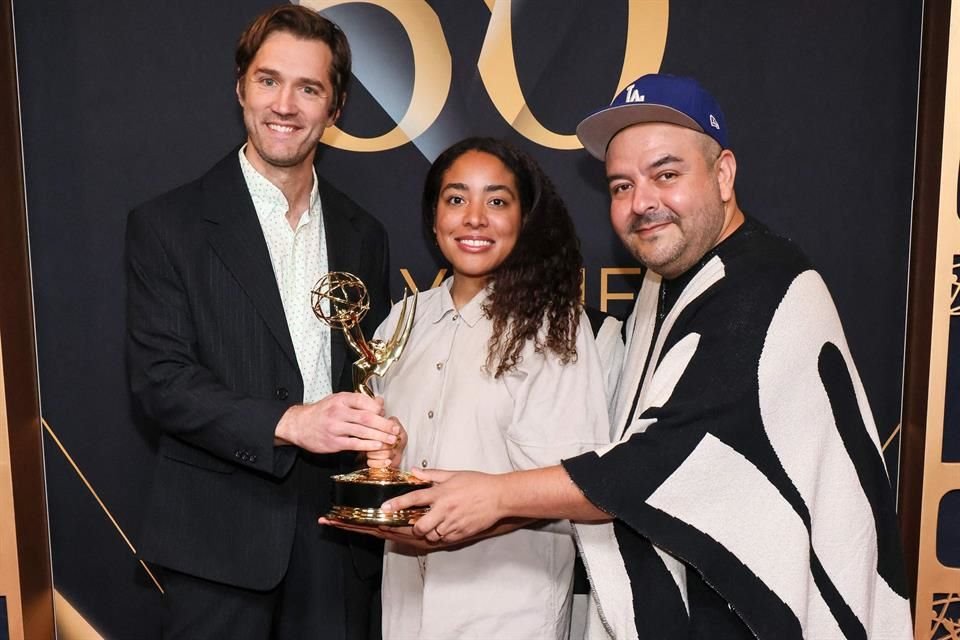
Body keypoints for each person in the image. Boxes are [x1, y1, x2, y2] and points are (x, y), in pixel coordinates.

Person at [382, 75, 914, 639]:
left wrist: (493, 495)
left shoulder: (764, 287)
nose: (643, 203)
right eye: (620, 186)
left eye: (666, 174)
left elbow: (658, 459)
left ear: (724, 174)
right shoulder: (672, 282)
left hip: (772, 611)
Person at [125, 6, 396, 639]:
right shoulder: (168, 225)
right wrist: (291, 422)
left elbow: (371, 368)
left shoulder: (365, 234)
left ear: (336, 108)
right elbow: (161, 381)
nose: (286, 105)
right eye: (269, 80)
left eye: (310, 88)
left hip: (338, 536)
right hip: (217, 539)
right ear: (241, 87)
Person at [326, 137, 614, 639]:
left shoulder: (555, 327)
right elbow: (382, 461)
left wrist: (451, 524)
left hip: (509, 607)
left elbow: (579, 484)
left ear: (523, 220)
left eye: (497, 201)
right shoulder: (403, 321)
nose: (474, 218)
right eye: (456, 199)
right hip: (405, 606)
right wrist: (380, 459)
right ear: (434, 219)